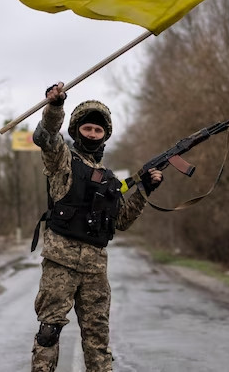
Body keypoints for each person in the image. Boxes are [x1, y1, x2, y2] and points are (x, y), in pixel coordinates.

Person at [29, 81, 163, 372]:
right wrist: (55, 106)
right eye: (87, 128)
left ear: (105, 136)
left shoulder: (111, 180)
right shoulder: (62, 160)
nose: (92, 134)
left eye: (98, 130)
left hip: (95, 269)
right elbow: (47, 137)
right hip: (60, 264)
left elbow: (122, 221)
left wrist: (144, 191)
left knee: (98, 340)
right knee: (49, 332)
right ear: (77, 130)